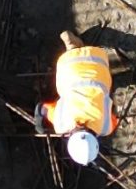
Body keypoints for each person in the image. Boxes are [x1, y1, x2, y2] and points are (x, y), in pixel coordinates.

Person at [38, 33, 116, 168]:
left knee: (99, 87)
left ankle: (77, 47)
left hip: (99, 61)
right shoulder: (60, 124)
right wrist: (39, 126)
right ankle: (73, 48)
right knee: (69, 83)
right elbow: (42, 108)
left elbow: (114, 117)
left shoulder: (105, 127)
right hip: (68, 65)